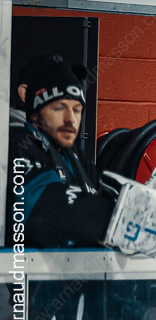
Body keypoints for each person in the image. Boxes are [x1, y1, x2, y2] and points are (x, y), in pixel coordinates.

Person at [7, 54, 115, 248]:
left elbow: (101, 193)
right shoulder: (16, 144)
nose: (70, 120)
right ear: (34, 111)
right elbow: (43, 212)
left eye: (77, 110)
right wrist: (120, 219)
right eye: (59, 108)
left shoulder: (73, 153)